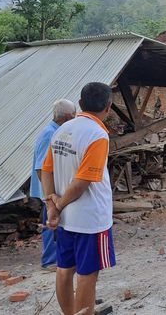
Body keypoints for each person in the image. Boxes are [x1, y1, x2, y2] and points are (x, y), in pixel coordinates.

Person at [41, 82, 116, 315]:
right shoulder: (98, 135)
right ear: (109, 107)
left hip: (66, 219)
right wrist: (59, 204)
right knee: (87, 274)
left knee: (64, 270)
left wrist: (52, 207)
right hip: (91, 219)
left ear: (81, 104)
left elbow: (46, 170)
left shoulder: (61, 130)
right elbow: (82, 182)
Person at [30, 99, 77, 269]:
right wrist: (49, 197)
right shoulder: (49, 134)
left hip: (53, 191)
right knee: (52, 224)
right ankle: (50, 261)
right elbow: (42, 168)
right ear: (65, 117)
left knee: (56, 223)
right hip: (49, 191)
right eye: (73, 116)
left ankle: (56, 258)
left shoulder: (56, 132)